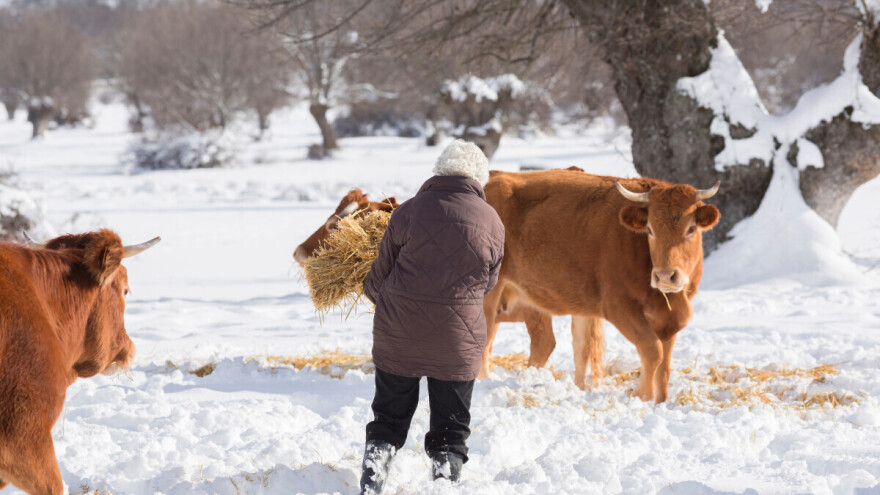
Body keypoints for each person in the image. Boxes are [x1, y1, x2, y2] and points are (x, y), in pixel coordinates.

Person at [358, 139, 505, 494]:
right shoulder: (493, 221)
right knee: (450, 430)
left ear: (439, 170)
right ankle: (444, 481)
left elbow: (378, 278)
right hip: (458, 342)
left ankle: (373, 480)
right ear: (479, 178)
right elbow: (488, 283)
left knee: (389, 420)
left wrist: (396, 309)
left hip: (399, 336)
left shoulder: (407, 211)